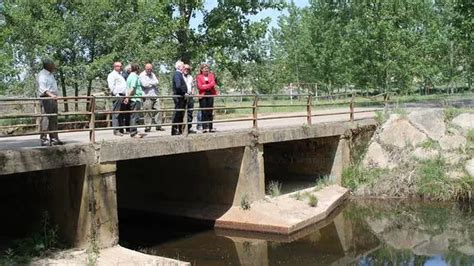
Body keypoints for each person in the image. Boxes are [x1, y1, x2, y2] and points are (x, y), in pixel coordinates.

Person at [37, 58, 64, 146]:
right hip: (46, 98)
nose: (54, 66)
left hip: (53, 98)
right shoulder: (42, 75)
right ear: (48, 65)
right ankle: (44, 139)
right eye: (52, 64)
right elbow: (43, 89)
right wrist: (51, 95)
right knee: (46, 118)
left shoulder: (50, 75)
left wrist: (55, 96)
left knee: (54, 118)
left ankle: (54, 138)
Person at [139, 63, 164, 132]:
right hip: (147, 96)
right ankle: (147, 127)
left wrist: (150, 83)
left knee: (158, 110)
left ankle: (158, 126)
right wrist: (152, 83)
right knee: (148, 112)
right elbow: (145, 85)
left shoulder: (153, 74)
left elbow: (157, 82)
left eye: (151, 69)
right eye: (148, 69)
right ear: (145, 68)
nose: (150, 70)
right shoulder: (142, 75)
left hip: (155, 95)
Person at [107, 61, 129, 136]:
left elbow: (125, 86)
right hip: (117, 96)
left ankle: (121, 129)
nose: (119, 67)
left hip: (123, 95)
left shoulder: (120, 75)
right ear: (114, 66)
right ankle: (116, 130)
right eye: (118, 66)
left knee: (122, 114)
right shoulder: (111, 75)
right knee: (116, 113)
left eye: (120, 66)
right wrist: (117, 95)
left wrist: (126, 96)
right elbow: (111, 86)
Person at [196, 63, 217, 133]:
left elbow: (213, 83)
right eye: (205, 68)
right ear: (201, 70)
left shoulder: (211, 75)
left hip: (210, 94)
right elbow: (200, 87)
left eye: (207, 68)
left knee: (210, 111)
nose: (206, 70)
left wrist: (205, 85)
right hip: (203, 95)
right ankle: (204, 128)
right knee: (204, 111)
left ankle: (211, 127)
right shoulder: (199, 77)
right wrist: (208, 85)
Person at [125, 63, 145, 138]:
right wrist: (128, 97)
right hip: (135, 99)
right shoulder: (134, 77)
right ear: (137, 69)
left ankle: (134, 131)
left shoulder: (130, 76)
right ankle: (133, 133)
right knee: (135, 116)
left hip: (134, 98)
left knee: (133, 116)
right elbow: (132, 88)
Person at [171, 60, 188, 135]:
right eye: (182, 66)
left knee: (180, 113)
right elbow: (178, 86)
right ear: (178, 67)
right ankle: (175, 130)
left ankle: (179, 129)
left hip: (180, 97)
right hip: (179, 97)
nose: (184, 67)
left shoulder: (179, 74)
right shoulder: (177, 74)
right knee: (177, 113)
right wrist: (184, 92)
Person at [183, 64, 196, 134]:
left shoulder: (190, 77)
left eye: (188, 69)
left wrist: (193, 93)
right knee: (183, 112)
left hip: (190, 96)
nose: (186, 70)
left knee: (190, 112)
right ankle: (183, 129)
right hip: (184, 96)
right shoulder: (181, 76)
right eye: (185, 68)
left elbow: (193, 86)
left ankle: (189, 128)